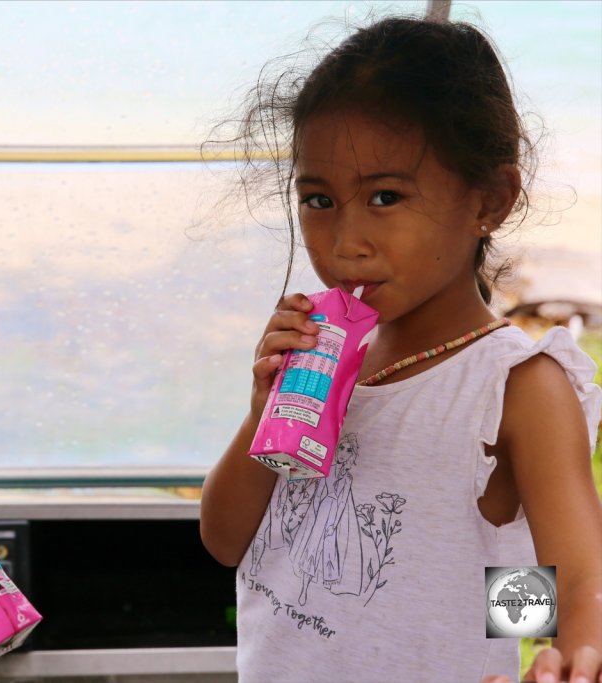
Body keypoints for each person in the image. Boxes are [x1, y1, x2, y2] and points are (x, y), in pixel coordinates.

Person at [199, 15, 602, 683]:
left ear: (491, 201)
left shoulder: (515, 384)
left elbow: (568, 575)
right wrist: (259, 416)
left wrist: (560, 657)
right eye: (319, 199)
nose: (345, 241)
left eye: (386, 196)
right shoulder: (318, 359)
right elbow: (227, 540)